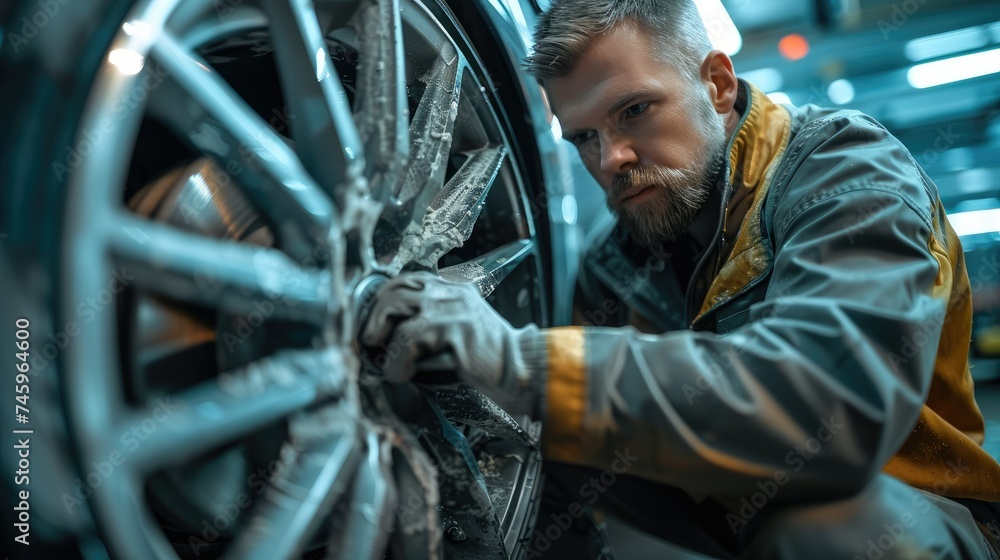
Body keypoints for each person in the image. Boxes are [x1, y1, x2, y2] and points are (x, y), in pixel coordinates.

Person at [361, 0, 1000, 557]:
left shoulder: (844, 172)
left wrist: (515, 359)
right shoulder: (618, 263)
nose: (610, 159)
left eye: (635, 110)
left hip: (916, 519)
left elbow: (832, 411)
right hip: (743, 523)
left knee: (824, 531)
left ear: (718, 85)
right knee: (539, 439)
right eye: (583, 137)